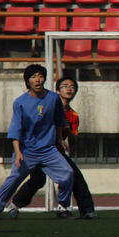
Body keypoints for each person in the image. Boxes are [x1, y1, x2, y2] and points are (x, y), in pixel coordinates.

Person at [0, 64, 75, 220]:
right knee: (15, 177)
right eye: (33, 77)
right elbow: (16, 129)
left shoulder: (53, 98)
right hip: (27, 150)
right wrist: (18, 151)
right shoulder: (20, 102)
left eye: (40, 76)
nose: (37, 80)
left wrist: (60, 139)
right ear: (27, 81)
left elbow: (59, 120)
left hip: (48, 150)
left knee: (68, 173)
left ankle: (62, 208)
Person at [8, 76, 99, 220]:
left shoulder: (73, 115)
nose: (69, 89)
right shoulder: (46, 107)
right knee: (38, 181)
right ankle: (14, 205)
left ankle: (84, 210)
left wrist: (67, 130)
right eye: (65, 86)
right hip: (38, 150)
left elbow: (74, 141)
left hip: (56, 152)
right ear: (57, 91)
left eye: (72, 87)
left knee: (74, 177)